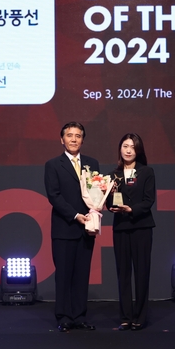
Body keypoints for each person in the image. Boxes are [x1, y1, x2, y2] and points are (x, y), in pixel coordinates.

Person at [44, 121, 99, 332]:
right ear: (62, 139)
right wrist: (75, 215)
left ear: (82, 140)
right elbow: (54, 196)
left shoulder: (92, 163)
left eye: (78, 136)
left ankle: (80, 316)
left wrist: (95, 210)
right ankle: (64, 317)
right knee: (64, 275)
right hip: (64, 228)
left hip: (87, 228)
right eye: (69, 135)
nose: (74, 139)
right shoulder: (53, 165)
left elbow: (97, 193)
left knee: (82, 275)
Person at [107, 133, 156, 331]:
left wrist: (131, 209)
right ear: (120, 149)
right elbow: (110, 202)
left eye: (132, 147)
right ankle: (126, 317)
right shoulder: (113, 174)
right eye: (125, 146)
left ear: (138, 150)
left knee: (142, 272)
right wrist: (109, 199)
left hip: (141, 226)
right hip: (121, 227)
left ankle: (140, 317)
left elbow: (148, 200)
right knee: (123, 273)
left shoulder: (146, 172)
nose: (128, 150)